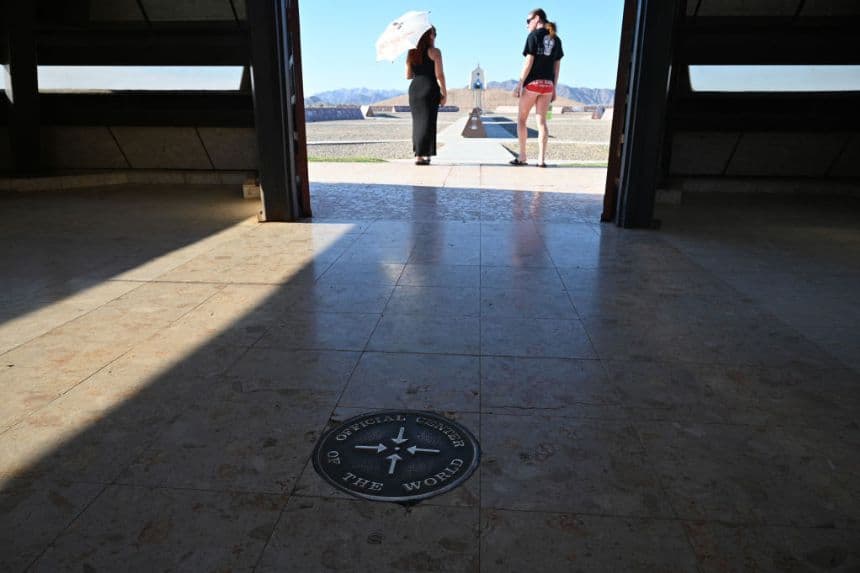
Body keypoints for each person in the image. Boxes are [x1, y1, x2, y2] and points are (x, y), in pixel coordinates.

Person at [511, 9, 563, 167]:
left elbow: (529, 61)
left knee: (521, 120)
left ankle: (522, 156)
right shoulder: (556, 39)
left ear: (537, 18)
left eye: (528, 21)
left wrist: (520, 83)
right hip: (547, 86)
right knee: (542, 122)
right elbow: (557, 67)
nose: (527, 25)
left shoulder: (533, 36)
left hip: (533, 84)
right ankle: (541, 160)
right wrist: (554, 88)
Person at [406, 26, 448, 165]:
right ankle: (426, 154)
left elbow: (408, 75)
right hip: (429, 87)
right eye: (434, 33)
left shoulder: (411, 53)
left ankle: (419, 155)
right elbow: (440, 75)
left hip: (415, 89)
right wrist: (444, 93)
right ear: (430, 35)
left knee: (417, 123)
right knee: (429, 122)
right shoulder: (435, 52)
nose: (435, 36)